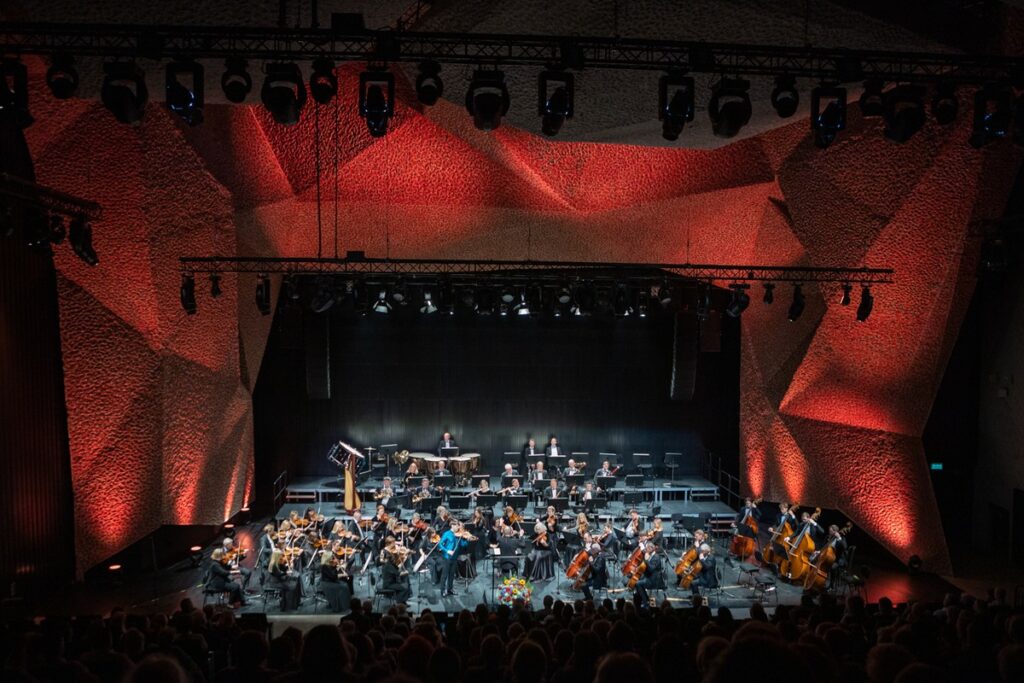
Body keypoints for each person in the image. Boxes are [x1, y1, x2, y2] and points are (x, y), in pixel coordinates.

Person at [438, 520, 471, 596]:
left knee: (452, 575)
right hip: (447, 558)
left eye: (458, 526)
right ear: (452, 525)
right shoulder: (447, 534)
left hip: (454, 558)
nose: (458, 527)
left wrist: (468, 540)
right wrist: (447, 551)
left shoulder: (458, 535)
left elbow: (463, 544)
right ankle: (442, 591)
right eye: (457, 526)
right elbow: (440, 544)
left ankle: (450, 590)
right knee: (445, 575)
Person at [633, 543, 665, 609]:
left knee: (638, 584)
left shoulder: (656, 557)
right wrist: (637, 568)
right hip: (649, 576)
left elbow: (651, 569)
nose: (646, 550)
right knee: (636, 581)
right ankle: (644, 598)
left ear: (651, 549)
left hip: (654, 580)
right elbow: (645, 566)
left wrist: (646, 560)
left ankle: (645, 603)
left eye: (647, 548)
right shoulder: (650, 555)